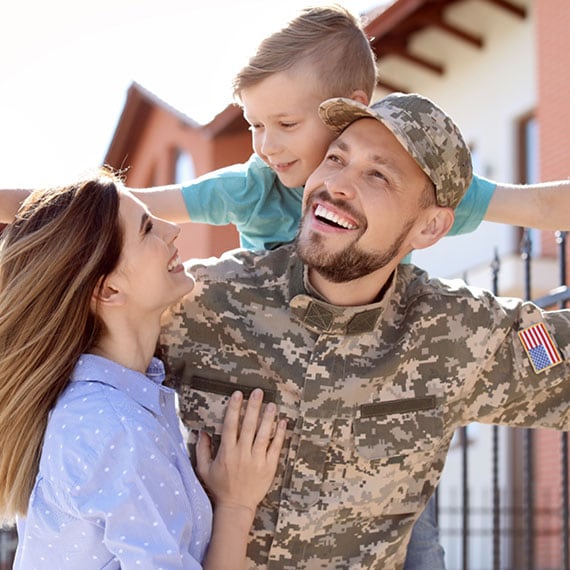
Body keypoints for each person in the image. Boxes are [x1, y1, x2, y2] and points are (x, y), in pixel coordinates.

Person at [160, 92, 570, 570]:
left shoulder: (458, 336)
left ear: (430, 228)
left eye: (377, 174)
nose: (336, 184)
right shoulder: (201, 299)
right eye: (335, 158)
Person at [0, 169, 286, 569]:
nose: (172, 230)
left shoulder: (108, 408)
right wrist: (236, 506)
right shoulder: (116, 430)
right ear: (109, 290)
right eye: (147, 227)